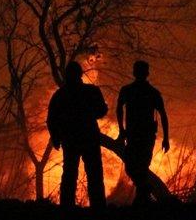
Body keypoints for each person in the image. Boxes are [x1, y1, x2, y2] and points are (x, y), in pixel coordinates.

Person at [47, 62, 108, 209]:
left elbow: (51, 119)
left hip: (70, 138)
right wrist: (89, 113)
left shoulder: (60, 94)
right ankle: (98, 208)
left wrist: (55, 137)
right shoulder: (91, 91)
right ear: (80, 74)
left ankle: (67, 208)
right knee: (94, 175)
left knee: (69, 174)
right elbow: (102, 110)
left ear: (67, 75)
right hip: (89, 137)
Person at [116, 60, 169, 207]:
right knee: (136, 166)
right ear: (147, 73)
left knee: (138, 166)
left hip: (140, 135)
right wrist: (165, 138)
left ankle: (142, 199)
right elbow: (119, 108)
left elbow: (163, 114)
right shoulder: (150, 92)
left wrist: (166, 138)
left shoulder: (131, 91)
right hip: (139, 135)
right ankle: (144, 193)